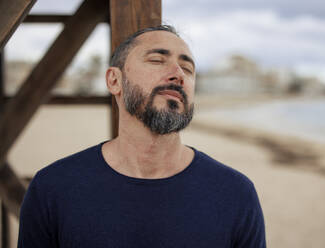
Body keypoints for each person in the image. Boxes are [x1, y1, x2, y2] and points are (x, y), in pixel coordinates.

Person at [17, 25, 266, 247]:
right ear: (115, 80)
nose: (178, 73)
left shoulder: (235, 194)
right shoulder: (52, 189)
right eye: (157, 60)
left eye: (188, 69)